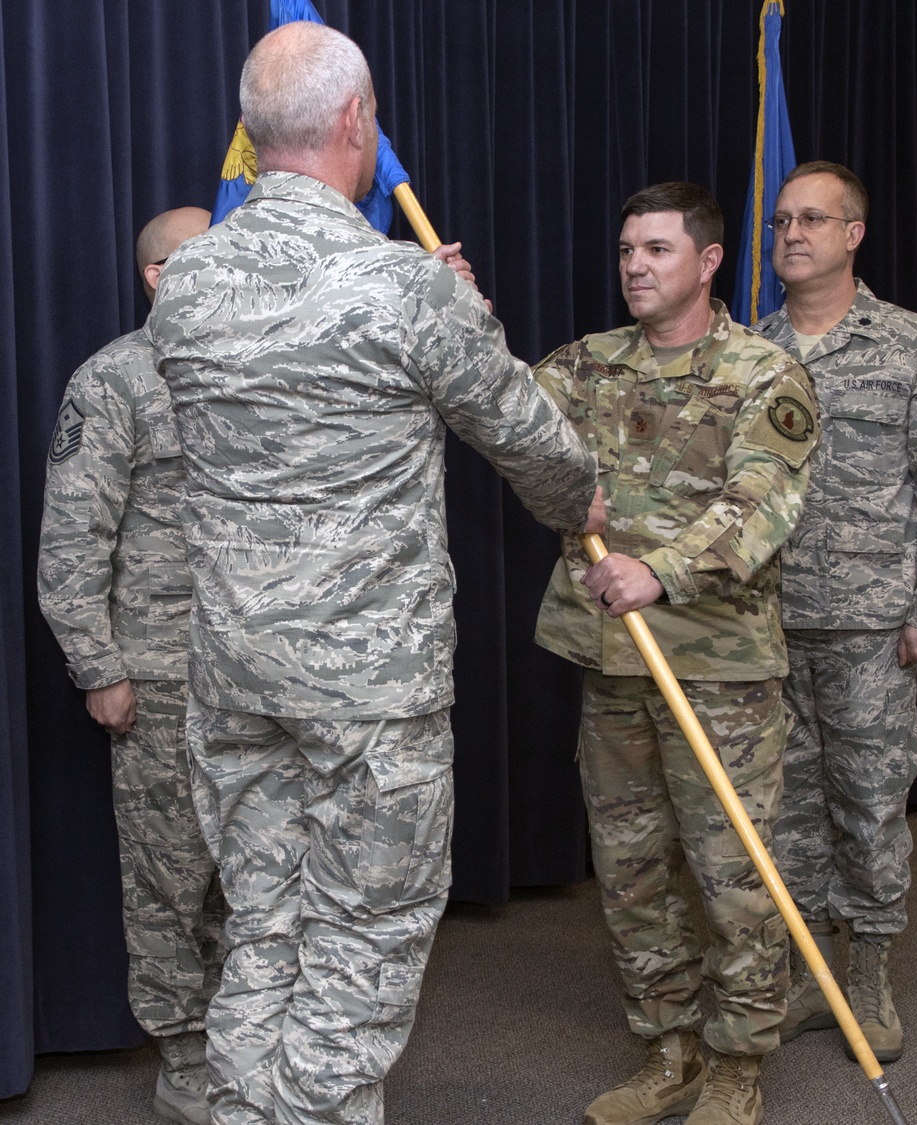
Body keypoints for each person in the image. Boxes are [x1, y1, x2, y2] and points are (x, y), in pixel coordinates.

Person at [148, 21, 603, 1125]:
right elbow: (530, 441)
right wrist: (575, 499)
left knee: (264, 921)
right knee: (359, 934)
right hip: (365, 686)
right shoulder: (401, 286)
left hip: (235, 668)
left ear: (255, 141)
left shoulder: (190, 281)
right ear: (358, 122)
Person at [534, 182, 820, 1125]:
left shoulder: (762, 371)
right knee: (632, 869)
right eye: (626, 250)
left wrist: (660, 568)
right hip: (612, 662)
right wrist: (462, 317)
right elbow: (505, 418)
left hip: (720, 668)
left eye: (657, 249)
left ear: (707, 260)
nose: (635, 267)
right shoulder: (584, 365)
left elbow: (763, 504)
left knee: (735, 873)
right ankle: (670, 1048)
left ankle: (741, 1060)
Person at [752, 161, 917, 1062]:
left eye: (813, 220)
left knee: (870, 799)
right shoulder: (752, 346)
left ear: (854, 235)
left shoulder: (912, 345)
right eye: (780, 222)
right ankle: (811, 972)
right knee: (790, 806)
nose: (793, 235)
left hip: (871, 622)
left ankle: (871, 973)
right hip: (766, 621)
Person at [37, 207, 225, 1125]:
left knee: (259, 874)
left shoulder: (260, 368)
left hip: (265, 679)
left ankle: (244, 1039)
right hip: (159, 679)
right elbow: (72, 542)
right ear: (157, 275)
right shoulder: (115, 379)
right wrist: (98, 667)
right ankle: (185, 1051)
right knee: (168, 881)